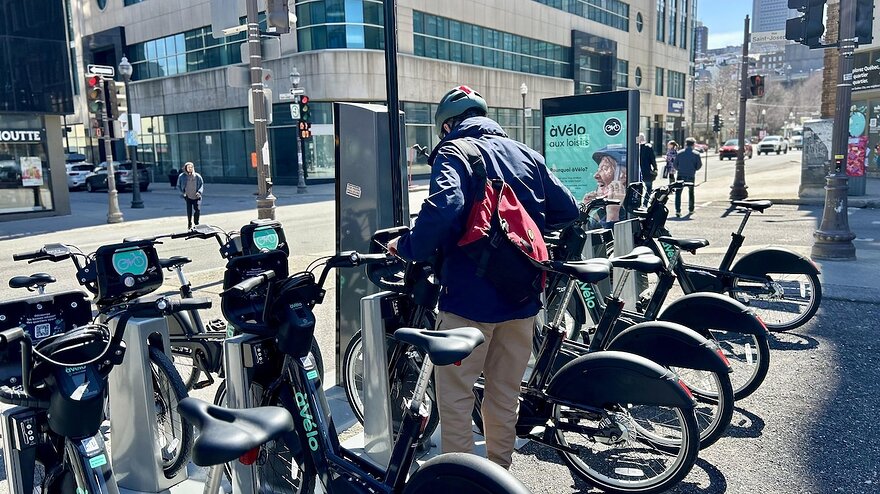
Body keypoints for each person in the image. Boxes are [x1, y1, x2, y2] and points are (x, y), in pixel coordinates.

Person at [387, 85, 578, 469]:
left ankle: (462, 483)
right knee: (505, 394)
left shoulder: (454, 151)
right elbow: (568, 209)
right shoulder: (527, 154)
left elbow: (444, 209)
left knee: (456, 397)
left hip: (468, 300)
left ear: (447, 126)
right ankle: (498, 475)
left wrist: (406, 246)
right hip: (522, 297)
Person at [581, 144, 627, 223]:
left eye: (604, 168)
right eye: (598, 169)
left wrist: (612, 215)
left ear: (622, 176)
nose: (596, 175)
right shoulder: (600, 212)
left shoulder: (627, 214)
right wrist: (584, 210)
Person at [673, 137, 703, 218]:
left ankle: (678, 210)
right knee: (691, 192)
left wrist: (679, 169)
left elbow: (675, 164)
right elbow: (699, 165)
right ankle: (691, 209)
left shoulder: (679, 153)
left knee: (678, 193)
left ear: (686, 144)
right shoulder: (696, 154)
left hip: (680, 174)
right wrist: (694, 169)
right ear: (693, 144)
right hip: (690, 175)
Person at [177, 162, 204, 229]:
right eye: (188, 167)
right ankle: (189, 223)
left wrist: (199, 192)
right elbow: (178, 185)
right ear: (185, 168)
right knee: (189, 210)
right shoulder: (182, 176)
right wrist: (182, 193)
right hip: (188, 196)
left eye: (191, 167)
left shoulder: (197, 176)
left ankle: (196, 223)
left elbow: (201, 185)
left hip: (196, 196)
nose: (190, 168)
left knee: (197, 210)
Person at [638, 134, 657, 206]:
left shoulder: (634, 147)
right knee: (649, 188)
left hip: (637, 171)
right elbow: (652, 159)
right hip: (647, 171)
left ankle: (638, 202)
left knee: (637, 187)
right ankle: (645, 203)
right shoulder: (648, 148)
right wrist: (655, 168)